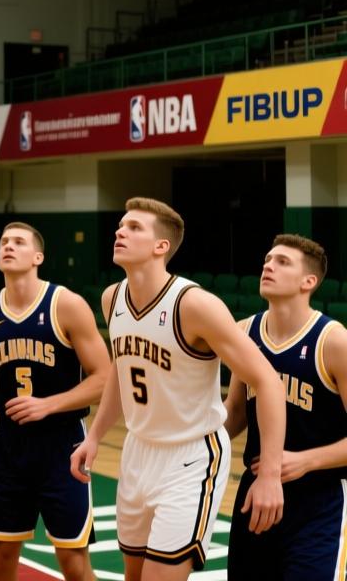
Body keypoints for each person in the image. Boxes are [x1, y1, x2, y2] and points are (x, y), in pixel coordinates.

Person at [70, 197, 287, 581]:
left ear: (161, 247)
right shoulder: (112, 299)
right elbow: (123, 373)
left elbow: (267, 380)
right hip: (138, 452)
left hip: (191, 456)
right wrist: (96, 436)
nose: (120, 231)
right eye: (121, 225)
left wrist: (269, 472)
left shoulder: (195, 305)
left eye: (134, 227)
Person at [0, 223, 110, 581]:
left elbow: (104, 377)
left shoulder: (66, 305)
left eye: (18, 242)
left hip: (62, 443)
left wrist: (49, 404)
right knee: (0, 555)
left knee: (73, 562)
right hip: (9, 445)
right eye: (3, 241)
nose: (8, 247)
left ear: (38, 257)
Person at [225, 234, 347, 579]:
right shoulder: (244, 332)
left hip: (319, 502)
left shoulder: (334, 342)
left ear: (308, 281)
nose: (268, 265)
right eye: (267, 259)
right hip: (256, 494)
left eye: (282, 262)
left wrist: (304, 460)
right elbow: (235, 412)